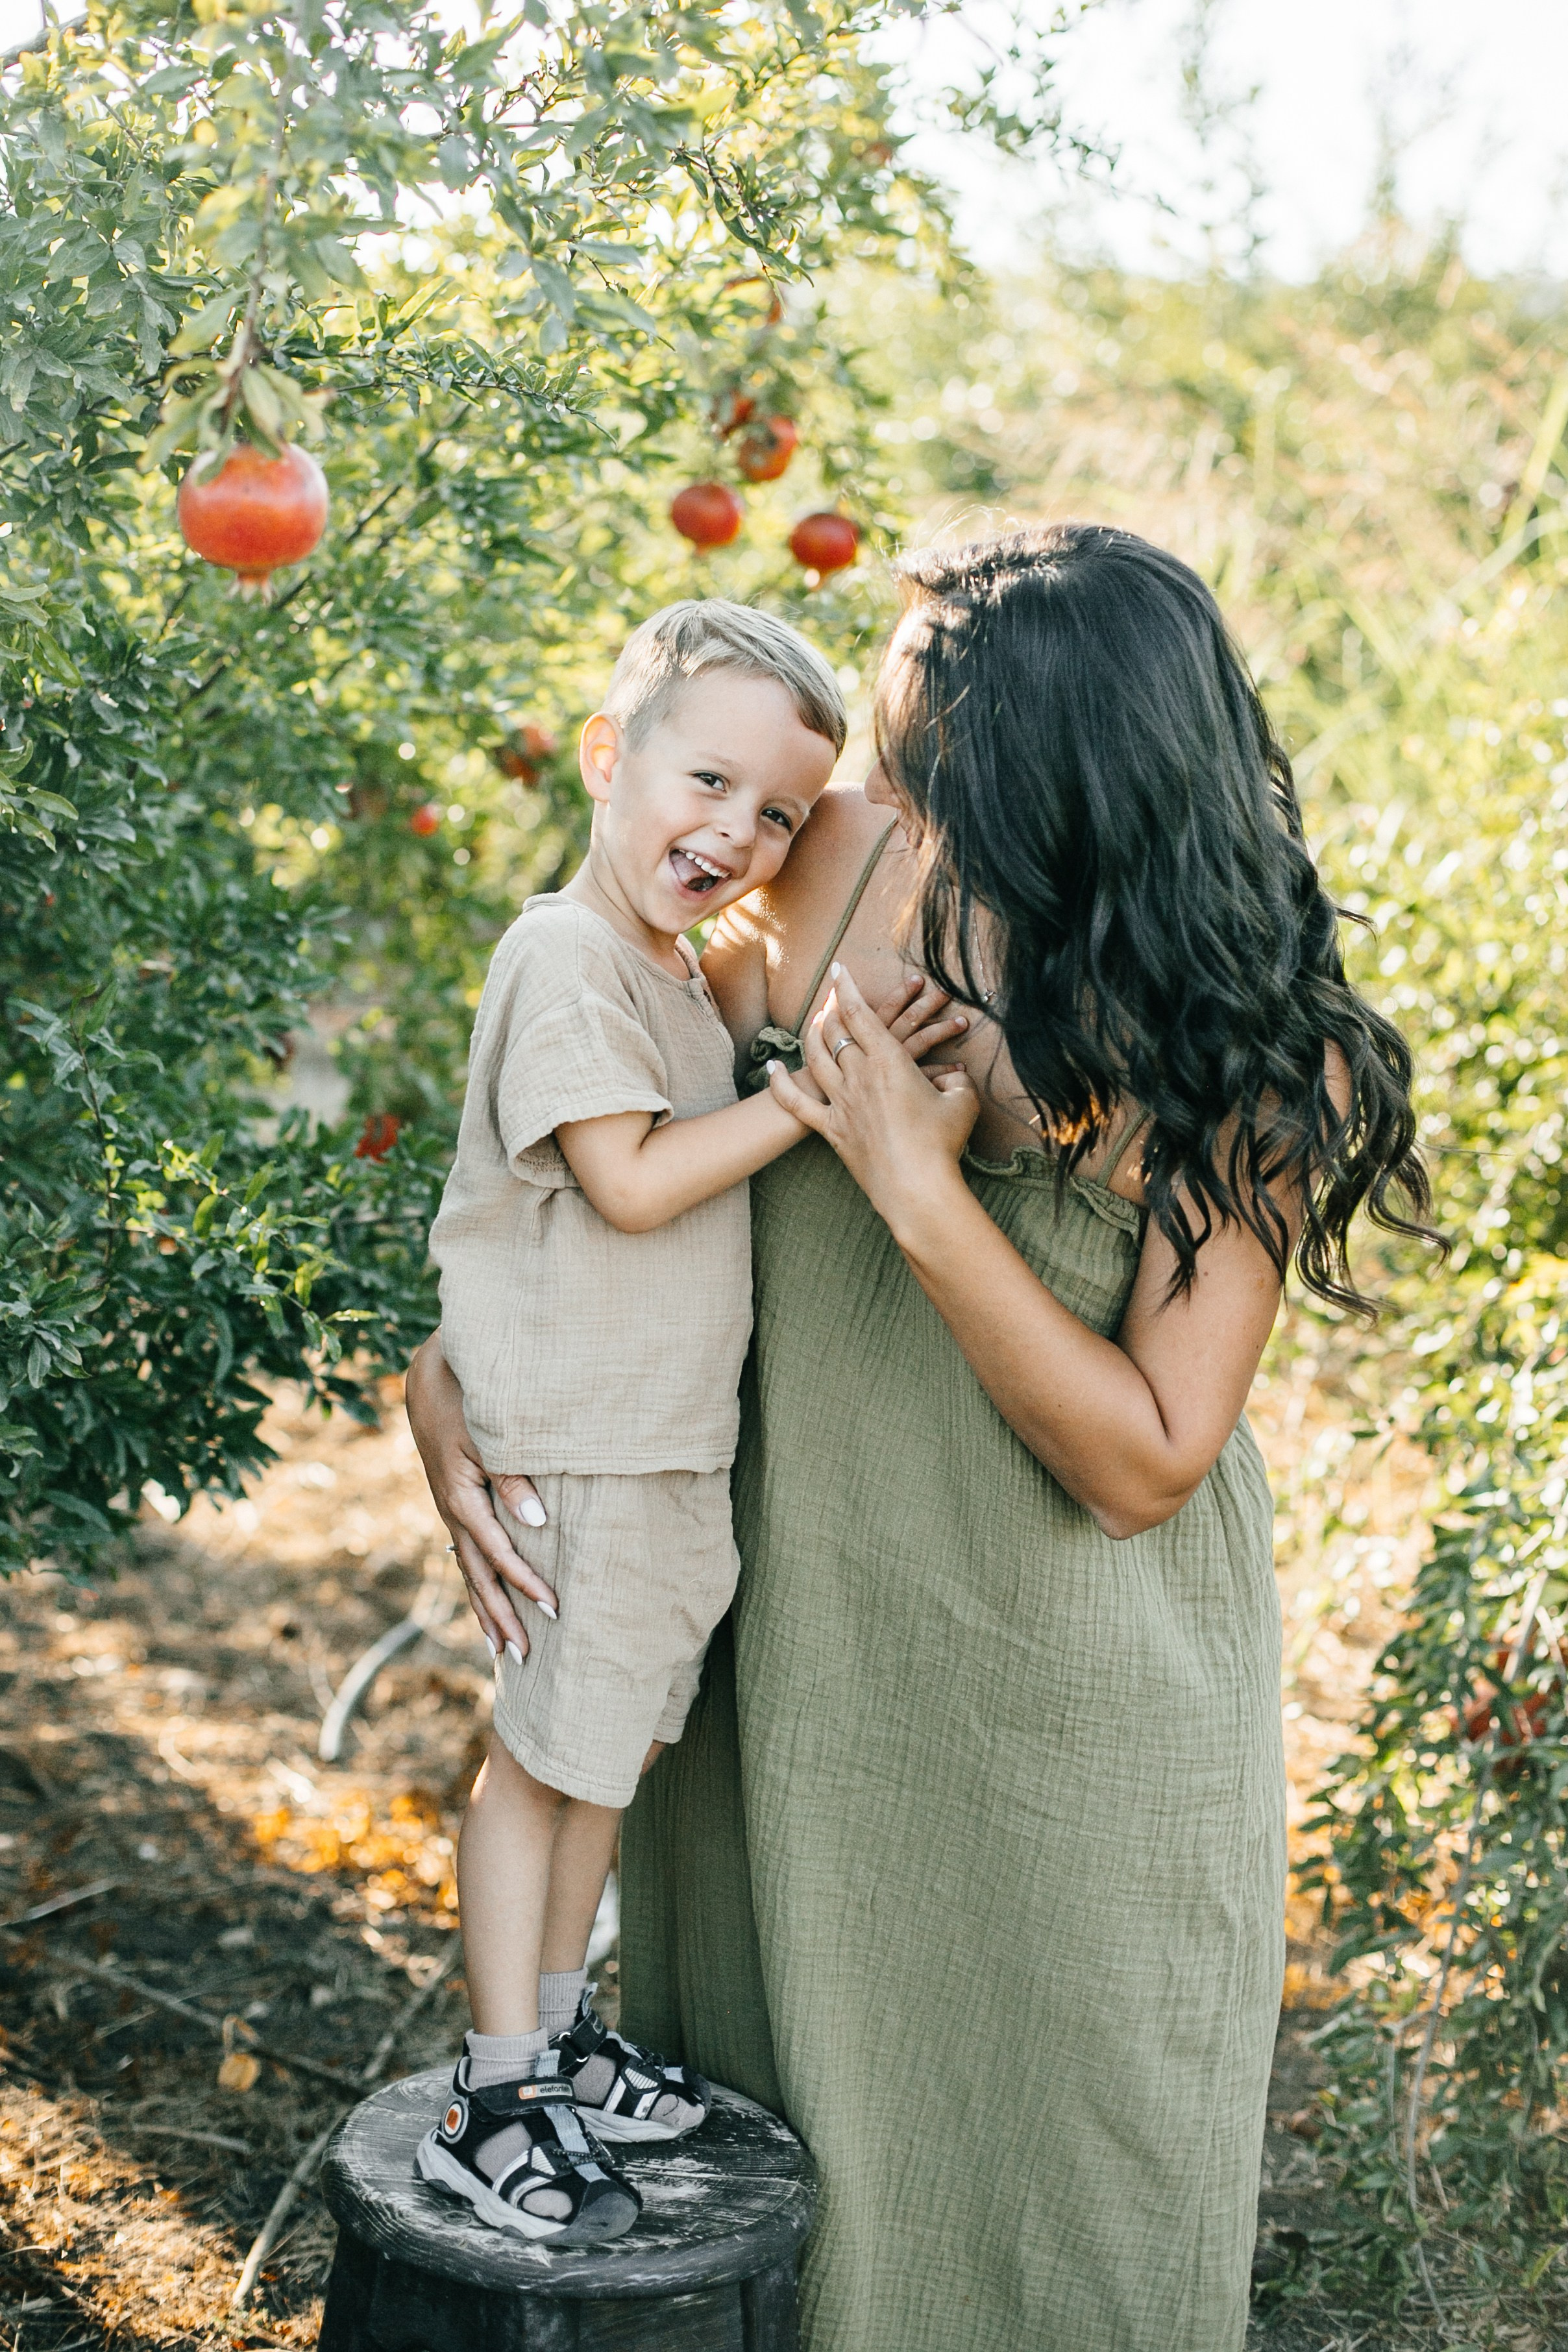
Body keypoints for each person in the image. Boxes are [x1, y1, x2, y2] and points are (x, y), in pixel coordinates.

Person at [407, 526, 1432, 2346]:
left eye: (925, 746)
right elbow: (574, 1133)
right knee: (757, 2222)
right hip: (792, 1671)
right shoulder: (830, 866)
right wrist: (454, 1390)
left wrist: (914, 1183)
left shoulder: (1257, 1044)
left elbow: (1146, 1463)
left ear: (1055, 769)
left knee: (1057, 2227)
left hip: (1063, 1712)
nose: (881, 786)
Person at [414, 600, 858, 2246]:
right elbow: (624, 1179)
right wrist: (803, 1103)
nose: (732, 832)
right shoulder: (568, 958)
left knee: (610, 1751)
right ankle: (494, 2091)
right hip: (575, 1447)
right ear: (609, 757)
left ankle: (553, 2035)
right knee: (540, 1768)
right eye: (705, 780)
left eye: (776, 814)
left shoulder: (674, 970)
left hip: (662, 1448)